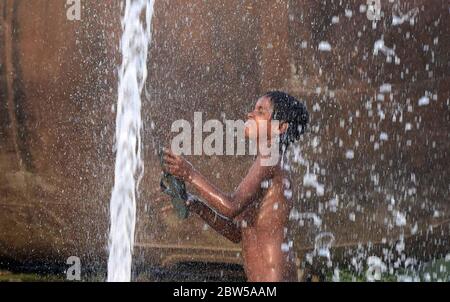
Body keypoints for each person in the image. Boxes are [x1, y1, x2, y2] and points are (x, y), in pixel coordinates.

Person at [162, 91, 309, 282]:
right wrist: (197, 205)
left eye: (261, 111)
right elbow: (236, 233)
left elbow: (230, 206)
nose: (250, 114)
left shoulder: (270, 159)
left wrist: (189, 173)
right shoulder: (267, 162)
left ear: (280, 127)